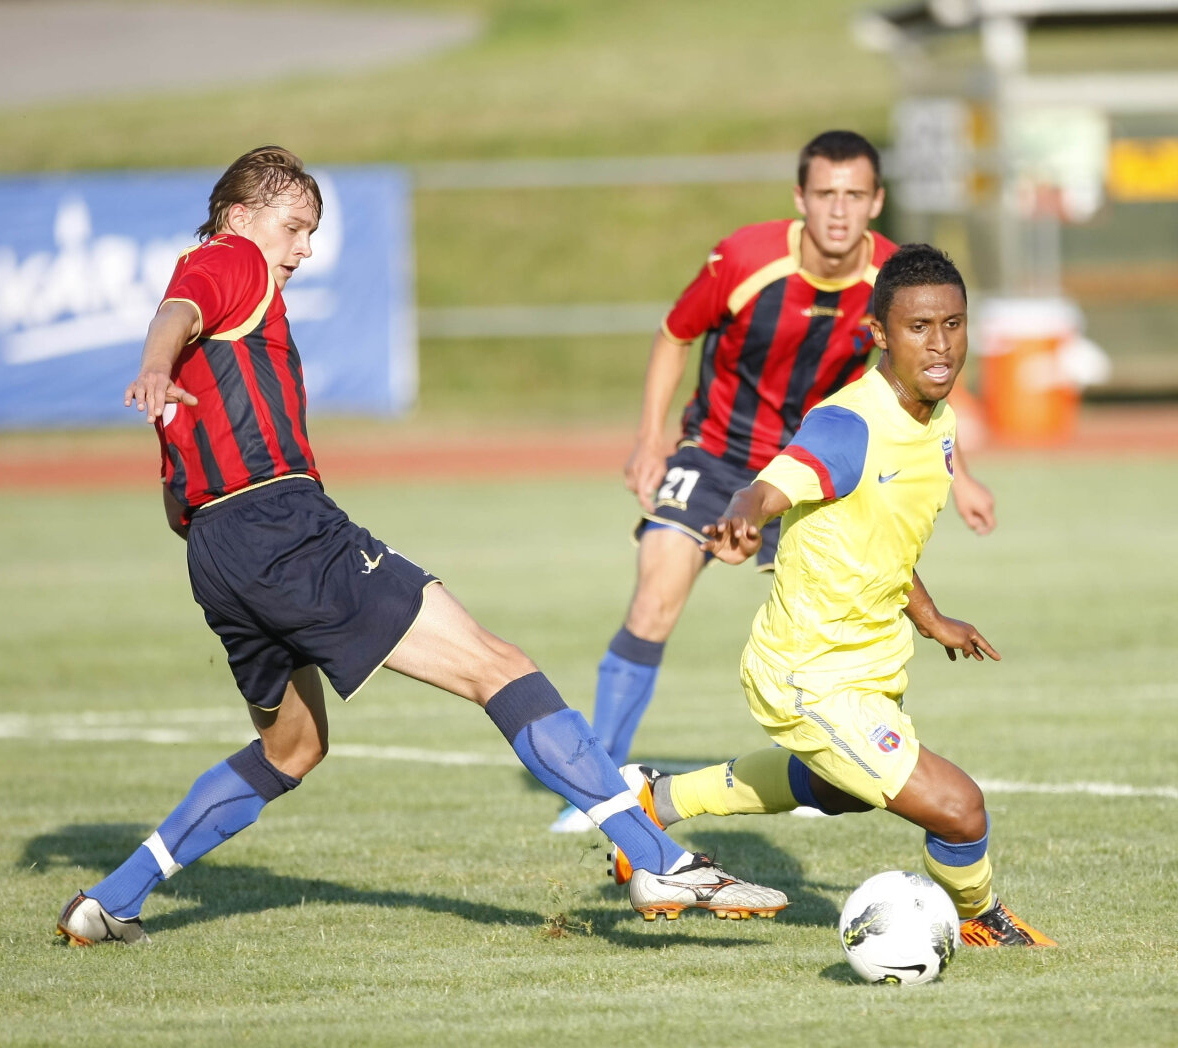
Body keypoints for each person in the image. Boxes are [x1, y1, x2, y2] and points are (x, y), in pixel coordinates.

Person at [53, 146, 790, 945]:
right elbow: (178, 311)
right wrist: (153, 364)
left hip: (216, 553)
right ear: (238, 218)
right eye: (294, 227)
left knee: (293, 747)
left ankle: (112, 900)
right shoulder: (233, 260)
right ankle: (659, 860)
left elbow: (177, 497)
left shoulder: (222, 339)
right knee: (498, 667)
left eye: (312, 233)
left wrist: (178, 404)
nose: (304, 249)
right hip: (286, 530)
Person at [609, 244, 1055, 947]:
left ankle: (655, 799)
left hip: (871, 659)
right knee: (959, 809)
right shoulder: (849, 425)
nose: (940, 345)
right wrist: (743, 515)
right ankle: (980, 917)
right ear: (879, 333)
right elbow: (768, 487)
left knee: (840, 791)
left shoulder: (938, 420)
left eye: (953, 324)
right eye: (918, 327)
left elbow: (881, 537)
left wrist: (931, 617)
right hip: (807, 673)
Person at [551, 130, 995, 833]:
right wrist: (648, 437)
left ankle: (826, 759)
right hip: (718, 452)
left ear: (876, 201)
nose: (840, 210)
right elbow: (675, 333)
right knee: (656, 592)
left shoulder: (896, 279)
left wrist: (960, 476)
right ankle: (597, 788)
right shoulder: (745, 258)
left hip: (819, 467)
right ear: (800, 199)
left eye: (855, 195)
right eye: (826, 194)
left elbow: (916, 396)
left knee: (830, 609)